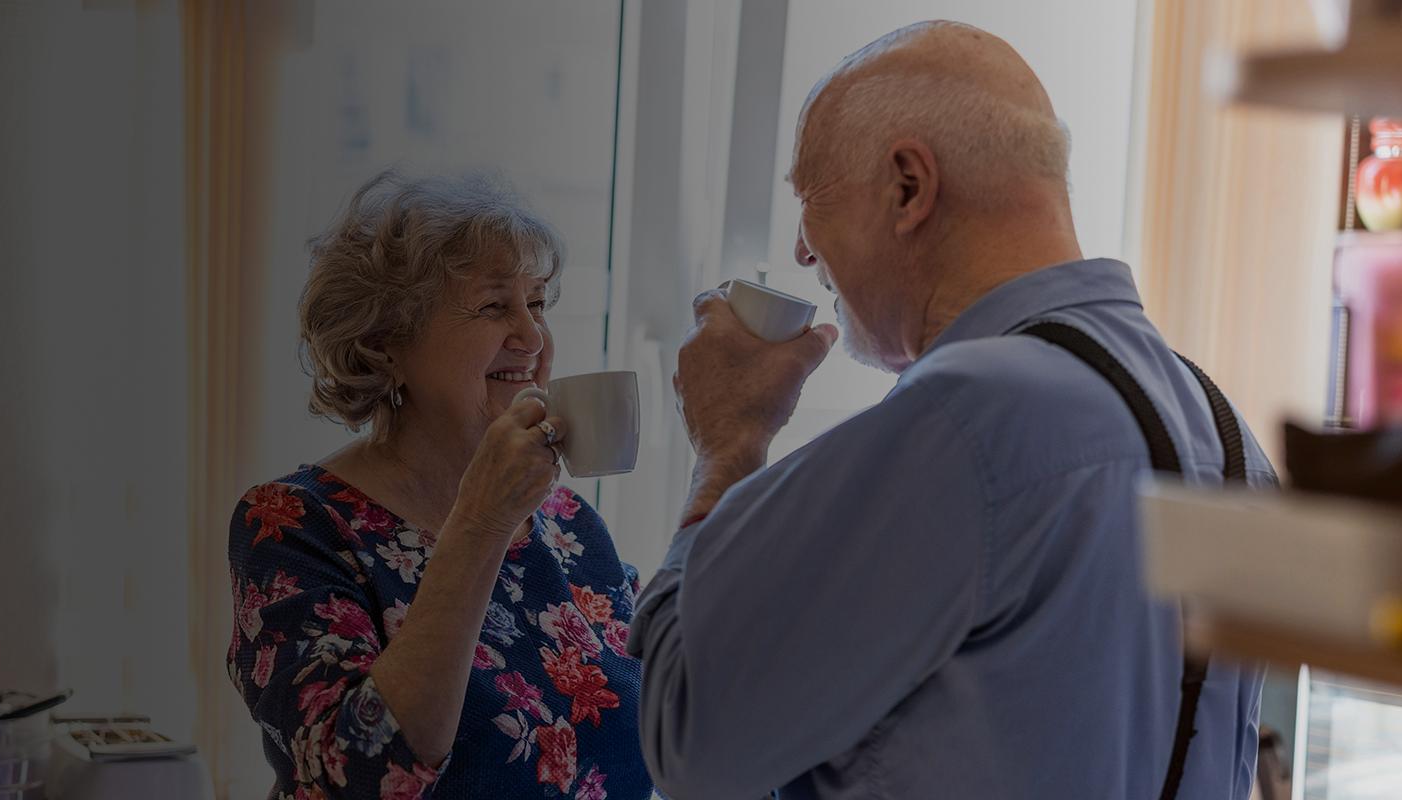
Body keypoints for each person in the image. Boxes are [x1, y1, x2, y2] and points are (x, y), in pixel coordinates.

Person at [631, 21, 1276, 800]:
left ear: (908, 187)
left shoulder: (968, 422)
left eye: (811, 198)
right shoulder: (1229, 436)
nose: (804, 250)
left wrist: (726, 449)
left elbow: (692, 733)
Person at [228, 171, 653, 799]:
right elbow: (365, 774)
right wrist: (480, 524)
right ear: (385, 342)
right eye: (492, 305)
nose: (533, 337)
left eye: (536, 302)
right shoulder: (293, 524)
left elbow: (675, 733)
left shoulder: (568, 523)